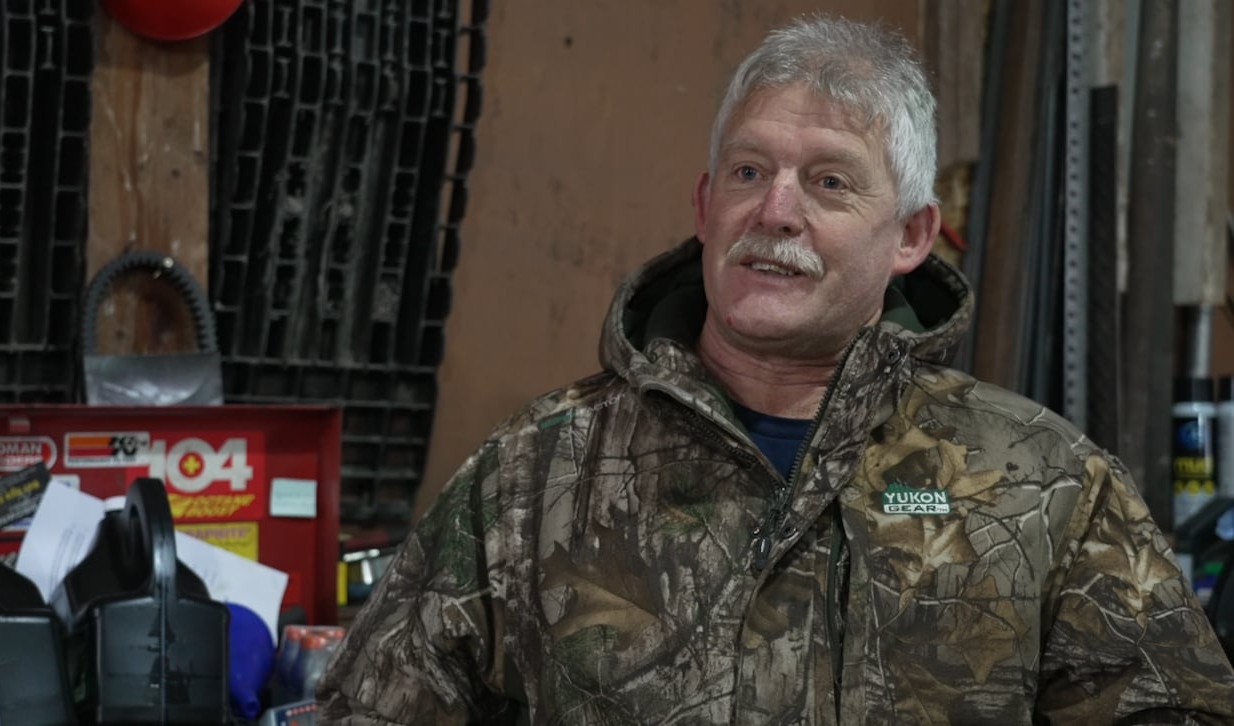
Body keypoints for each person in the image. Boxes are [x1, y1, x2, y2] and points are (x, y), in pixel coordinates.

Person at [318, 16, 1234, 724]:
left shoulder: (1039, 483)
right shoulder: (536, 475)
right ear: (707, 204)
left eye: (830, 182)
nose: (777, 211)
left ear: (912, 234)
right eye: (751, 171)